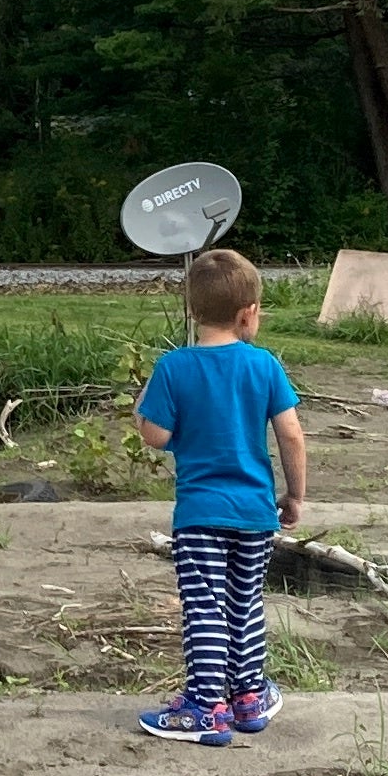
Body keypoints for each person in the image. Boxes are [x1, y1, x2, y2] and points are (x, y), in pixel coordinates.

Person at [131, 246, 306, 748]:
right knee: (246, 603)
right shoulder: (264, 365)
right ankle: (249, 697)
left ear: (192, 310)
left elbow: (157, 436)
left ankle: (207, 706)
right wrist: (294, 495)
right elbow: (291, 435)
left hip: (200, 515)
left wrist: (144, 410)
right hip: (255, 512)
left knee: (205, 608)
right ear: (248, 313)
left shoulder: (174, 367)